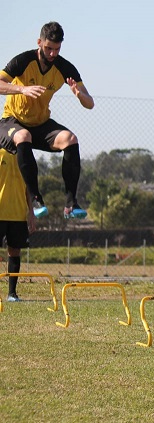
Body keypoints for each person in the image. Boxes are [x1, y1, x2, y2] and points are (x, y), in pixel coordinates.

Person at [0, 21, 94, 219]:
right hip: (12, 121)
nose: (52, 54)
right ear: (39, 43)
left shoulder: (64, 67)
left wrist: (79, 95)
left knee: (70, 139)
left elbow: (90, 103)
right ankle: (36, 199)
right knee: (23, 135)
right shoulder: (23, 61)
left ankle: (71, 203)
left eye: (57, 49)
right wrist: (22, 89)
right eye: (48, 48)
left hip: (40, 124)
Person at [0, 148, 36, 302]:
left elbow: (29, 187)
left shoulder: (25, 155)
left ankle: (12, 294)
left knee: (14, 252)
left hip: (18, 214)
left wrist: (31, 212)